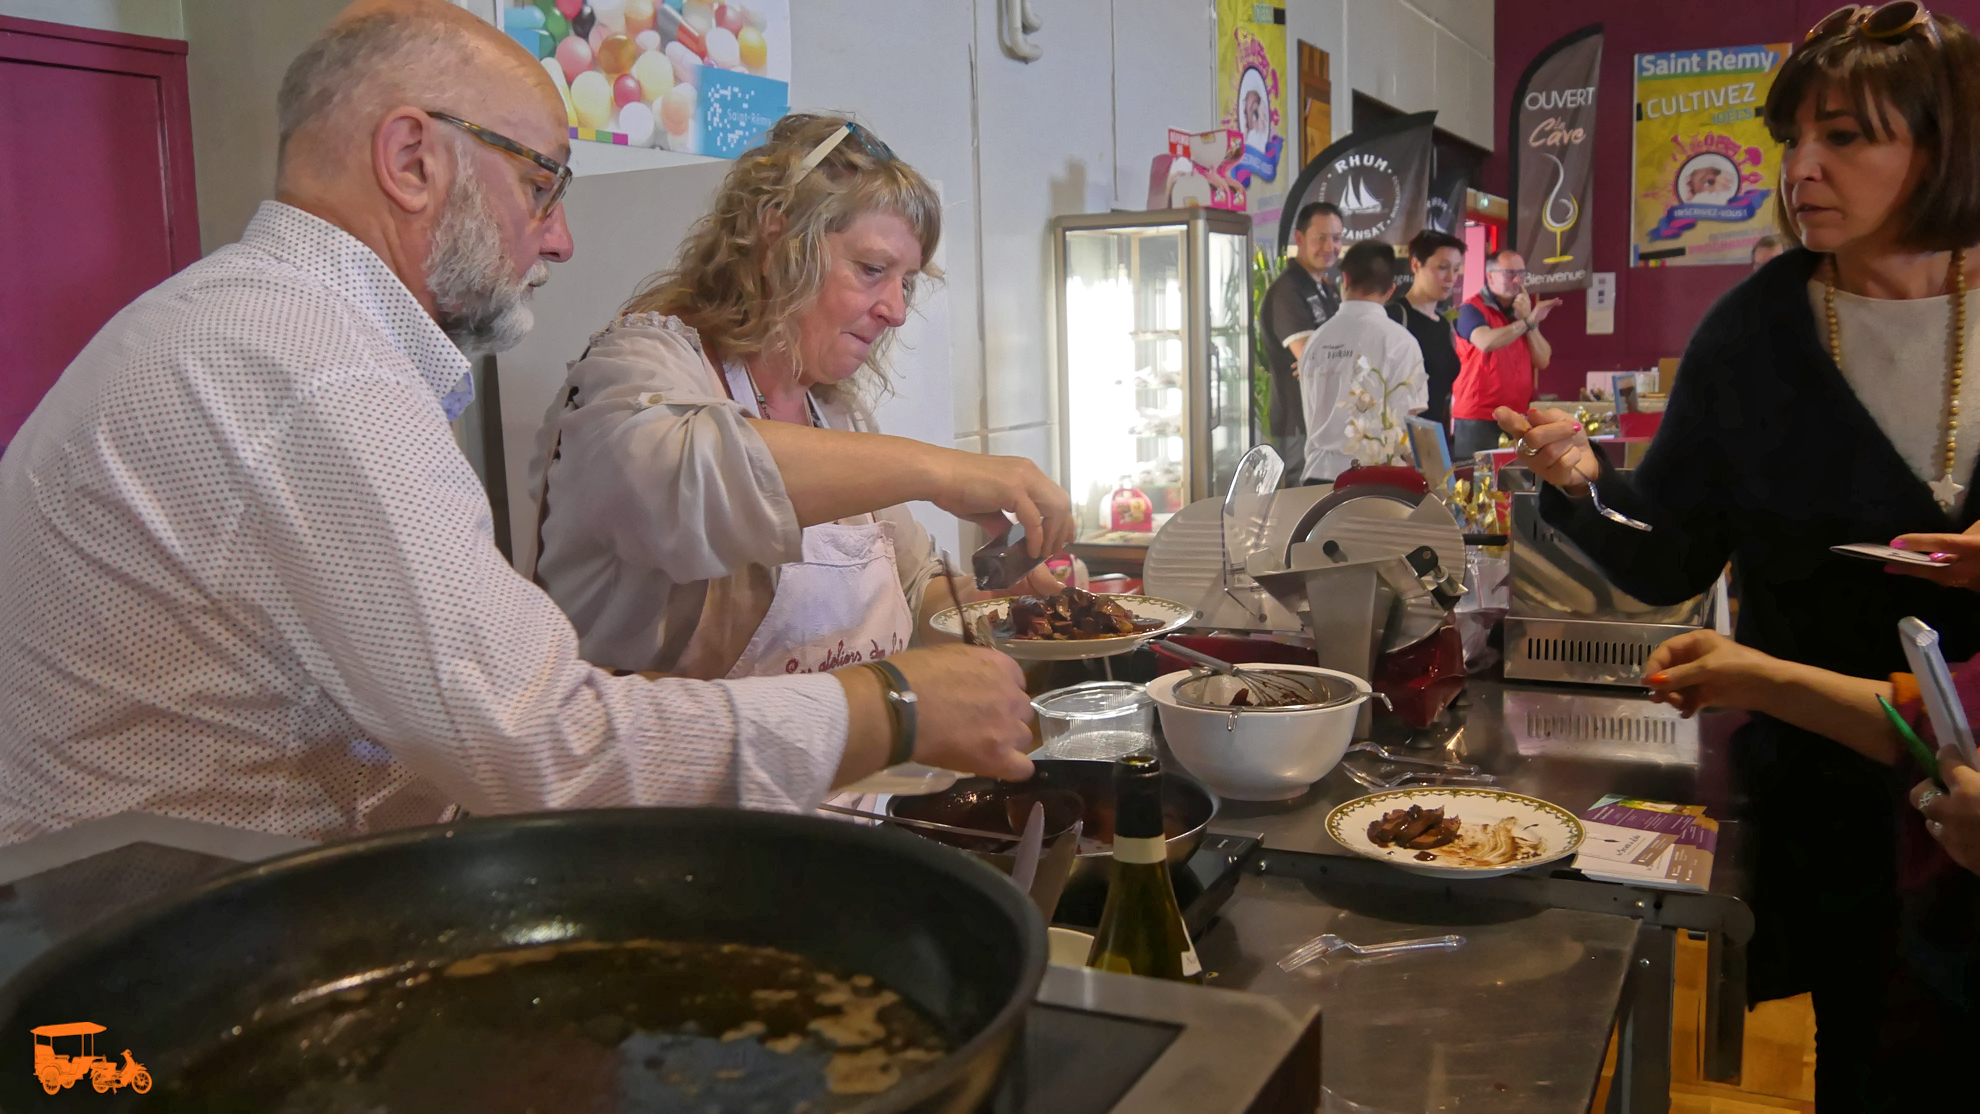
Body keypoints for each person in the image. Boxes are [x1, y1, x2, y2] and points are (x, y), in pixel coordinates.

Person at [0, 0, 1038, 846]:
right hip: (139, 972)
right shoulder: (305, 365)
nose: (561, 236)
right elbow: (541, 741)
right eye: (541, 183)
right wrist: (891, 708)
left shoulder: (276, 331)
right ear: (412, 159)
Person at [1498, 5, 1980, 1105]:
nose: (1803, 169)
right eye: (1789, 139)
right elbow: (1666, 556)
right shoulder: (1755, 334)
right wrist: (1578, 483)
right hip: (1839, 814)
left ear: (1944, 147)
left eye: (1847, 136)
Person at [531, 114, 1067, 678]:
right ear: (779, 238)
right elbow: (688, 480)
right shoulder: (638, 364)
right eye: (872, 269)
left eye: (905, 282)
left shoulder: (831, 412)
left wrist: (1008, 612)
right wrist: (941, 472)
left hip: (840, 762)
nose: (897, 310)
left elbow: (911, 588)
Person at [1298, 242, 1426, 484]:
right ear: (1391, 290)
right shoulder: (1401, 342)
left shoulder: (1317, 339)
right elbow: (1411, 424)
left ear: (1345, 280)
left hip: (1316, 477)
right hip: (1374, 480)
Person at [1259, 202, 1344, 478]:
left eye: (1336, 238)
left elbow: (1324, 360)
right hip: (1297, 424)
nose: (1330, 246)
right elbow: (1312, 358)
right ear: (1299, 239)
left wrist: (1328, 358)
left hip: (1321, 422)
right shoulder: (1287, 290)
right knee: (1301, 509)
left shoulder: (1325, 288)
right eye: (1321, 238)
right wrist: (1322, 359)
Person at [1449, 249, 1560, 459]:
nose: (1518, 280)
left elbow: (1543, 359)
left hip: (1517, 416)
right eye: (1509, 274)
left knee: (1514, 485)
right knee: (1476, 484)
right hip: (1478, 418)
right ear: (1490, 276)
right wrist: (1526, 322)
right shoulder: (1469, 309)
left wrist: (1529, 322)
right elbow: (1486, 341)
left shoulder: (1521, 313)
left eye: (1522, 274)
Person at [1387, 229, 1466, 430]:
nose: (1451, 277)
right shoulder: (1395, 316)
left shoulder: (1442, 322)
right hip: (1402, 440)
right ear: (1415, 265)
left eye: (1456, 269)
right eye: (1442, 267)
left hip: (1437, 437)